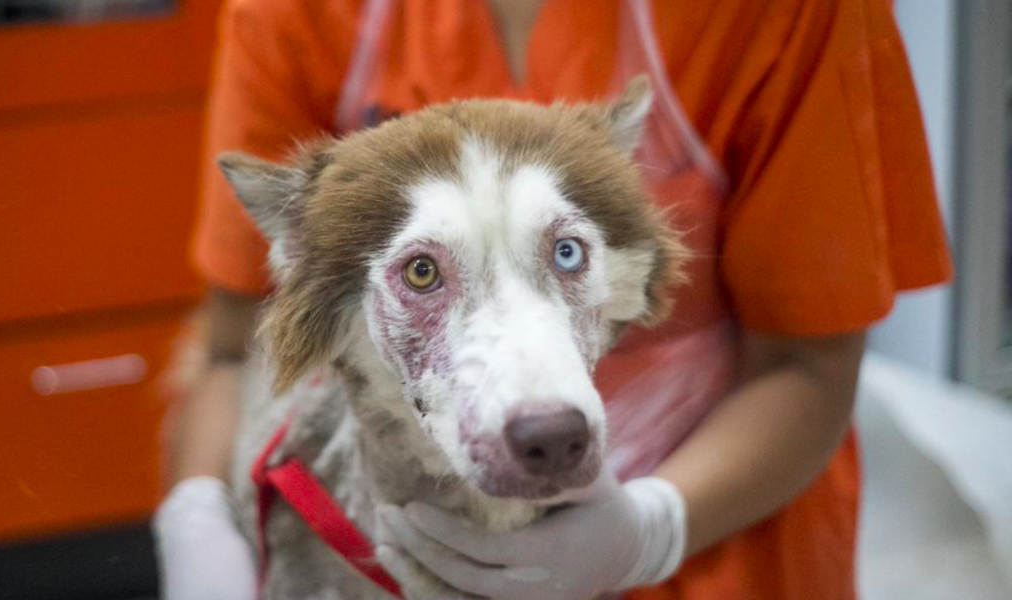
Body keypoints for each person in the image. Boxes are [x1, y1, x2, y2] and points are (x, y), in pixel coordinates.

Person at [152, 1, 953, 599]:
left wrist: (651, 531)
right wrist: (197, 523)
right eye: (422, 273)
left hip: (725, 541)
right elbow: (235, 348)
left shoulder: (790, 12)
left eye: (569, 252)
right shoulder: (296, 13)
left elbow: (810, 365)